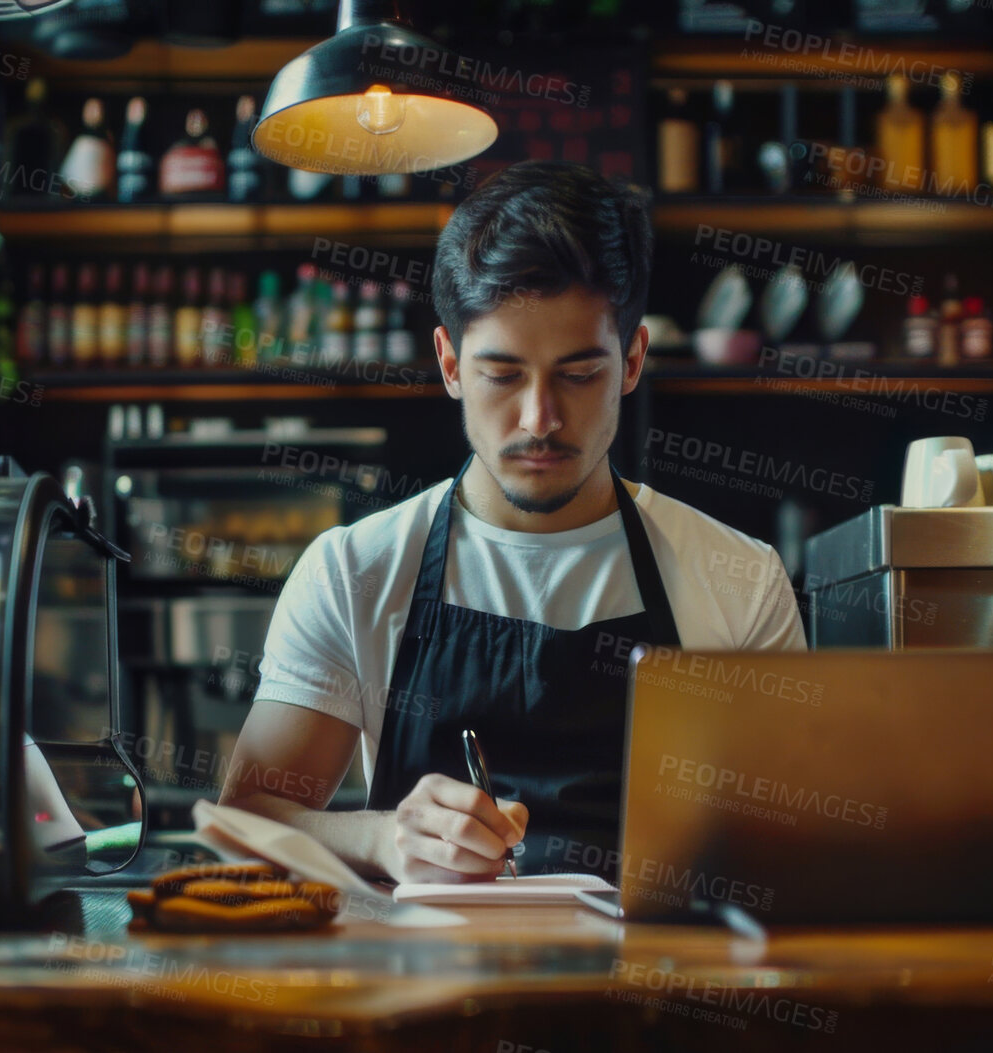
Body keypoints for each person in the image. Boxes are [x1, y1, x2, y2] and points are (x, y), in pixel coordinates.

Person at [218, 161, 806, 885]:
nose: (539, 419)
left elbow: (791, 851)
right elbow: (242, 823)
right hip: (429, 992)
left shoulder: (739, 577)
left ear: (631, 361)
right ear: (449, 364)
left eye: (578, 373)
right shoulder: (354, 570)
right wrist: (382, 838)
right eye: (501, 374)